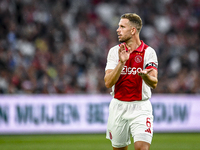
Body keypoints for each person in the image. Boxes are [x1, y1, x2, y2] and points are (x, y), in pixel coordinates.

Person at [104, 13, 158, 150]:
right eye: (118, 26)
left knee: (142, 148)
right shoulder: (114, 52)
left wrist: (145, 76)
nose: (118, 30)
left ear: (133, 30)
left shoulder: (149, 52)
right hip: (118, 107)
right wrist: (121, 63)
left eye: (122, 26)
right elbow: (108, 83)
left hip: (141, 107)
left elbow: (154, 82)